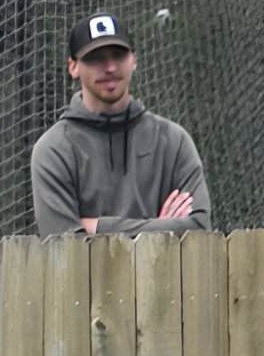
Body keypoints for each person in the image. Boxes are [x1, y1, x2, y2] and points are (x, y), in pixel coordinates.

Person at [31, 12, 211, 236]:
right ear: (73, 67)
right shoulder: (54, 149)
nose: (110, 67)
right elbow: (64, 243)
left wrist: (95, 227)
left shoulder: (173, 141)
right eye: (95, 58)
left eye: (118, 55)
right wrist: (162, 230)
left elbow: (199, 229)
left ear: (133, 60)